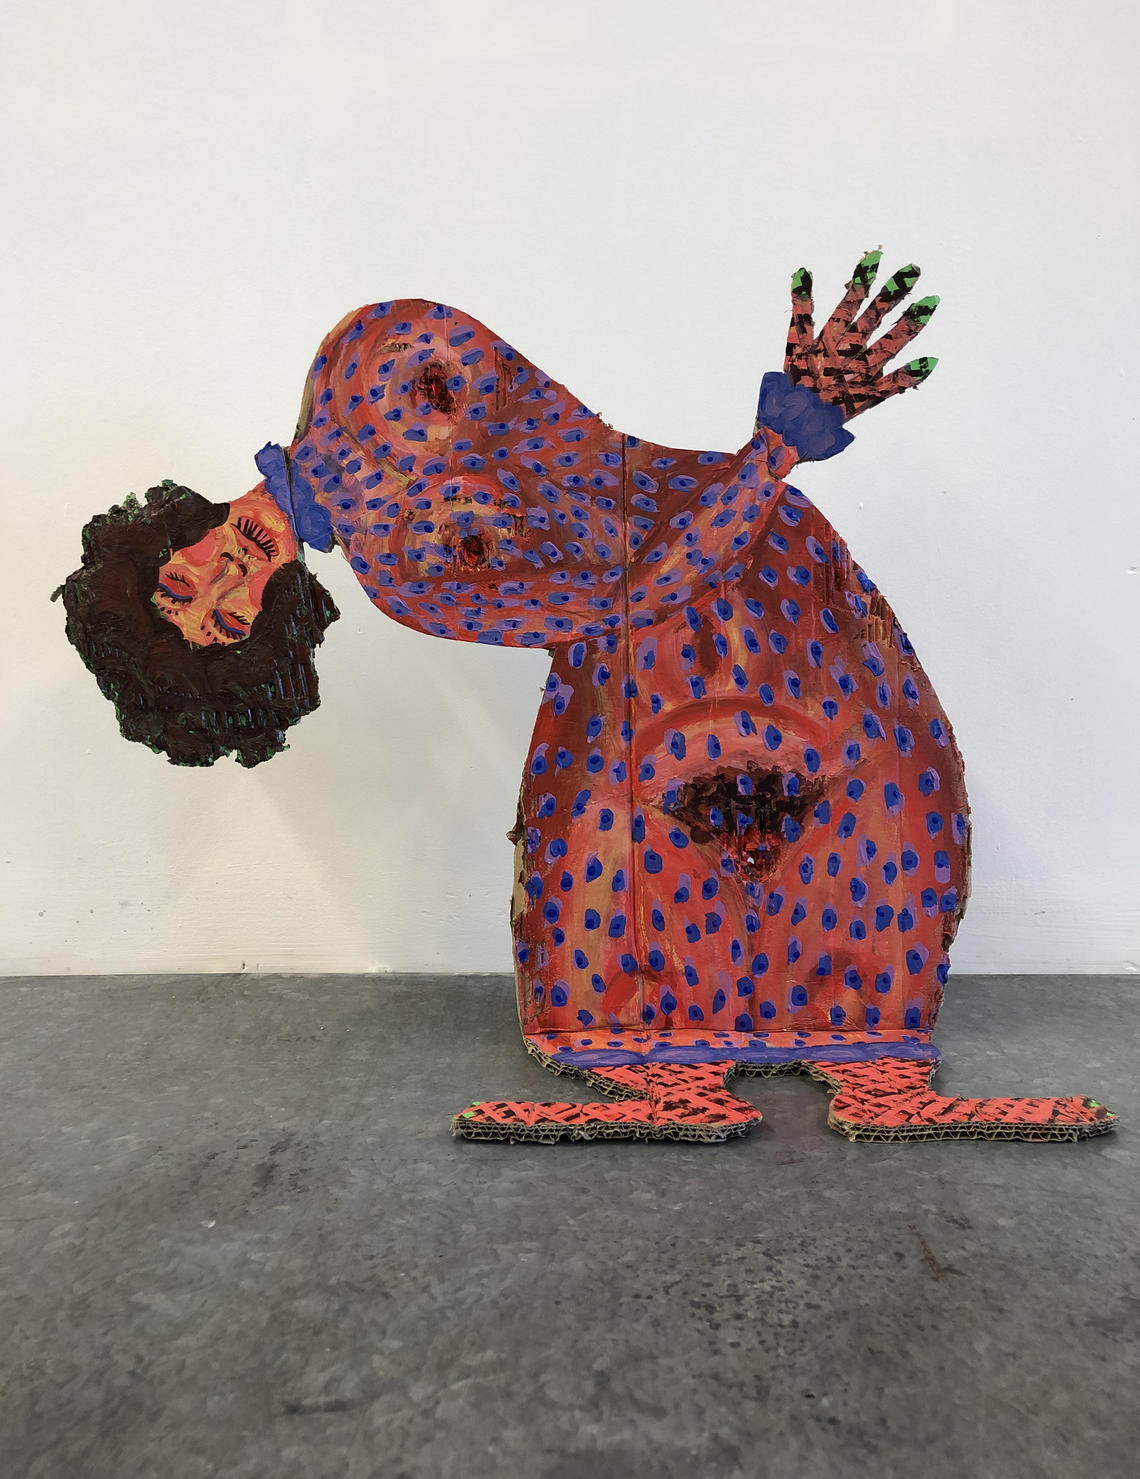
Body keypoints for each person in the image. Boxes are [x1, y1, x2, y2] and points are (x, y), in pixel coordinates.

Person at [60, 254, 1115, 1141]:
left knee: (881, 807)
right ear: (268, 632)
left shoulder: (364, 353)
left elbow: (593, 469)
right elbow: (634, 595)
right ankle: (672, 1079)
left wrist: (768, 460)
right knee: (614, 861)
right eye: (227, 622)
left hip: (776, 576)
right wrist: (774, 451)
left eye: (184, 585)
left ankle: (879, 1077)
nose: (228, 579)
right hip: (672, 635)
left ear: (169, 540)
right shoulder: (406, 580)